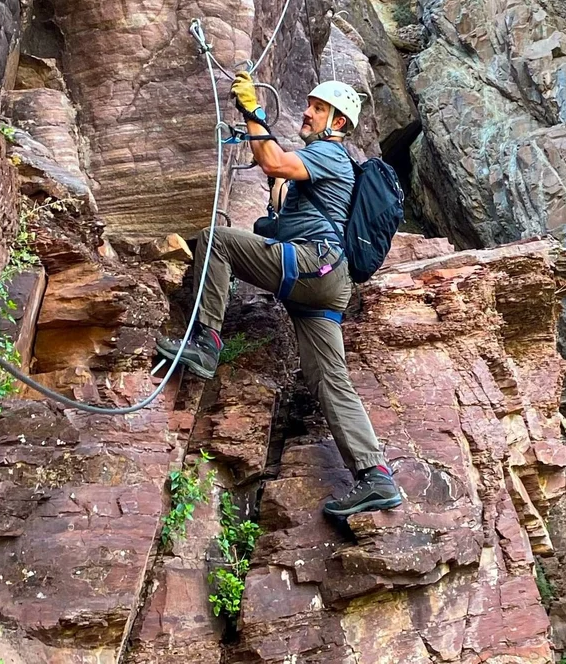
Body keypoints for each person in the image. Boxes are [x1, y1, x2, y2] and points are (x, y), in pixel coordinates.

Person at [156, 71, 404, 518]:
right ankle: (375, 477)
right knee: (330, 379)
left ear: (339, 122)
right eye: (309, 104)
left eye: (318, 107)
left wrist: (253, 112)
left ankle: (205, 343)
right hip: (326, 288)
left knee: (217, 239)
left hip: (315, 265)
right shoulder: (321, 165)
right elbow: (276, 181)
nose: (307, 112)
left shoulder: (330, 153)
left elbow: (272, 160)